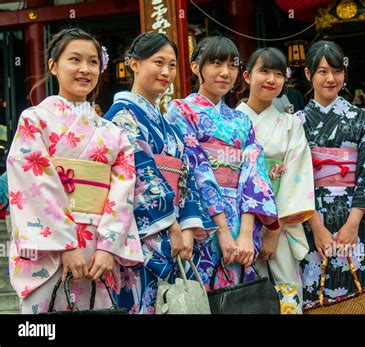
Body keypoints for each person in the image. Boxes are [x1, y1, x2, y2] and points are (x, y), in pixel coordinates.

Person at [7, 28, 143, 313]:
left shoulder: (114, 133)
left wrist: (108, 249)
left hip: (97, 253)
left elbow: (123, 193)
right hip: (49, 250)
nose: (85, 69)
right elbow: (34, 185)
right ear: (53, 66)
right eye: (75, 60)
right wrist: (67, 246)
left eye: (93, 62)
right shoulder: (35, 120)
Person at [103, 32, 212, 314]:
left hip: (173, 233)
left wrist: (188, 226)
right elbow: (139, 172)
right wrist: (172, 226)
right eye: (158, 62)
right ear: (134, 63)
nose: (166, 72)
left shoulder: (168, 126)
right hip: (142, 236)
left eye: (173, 65)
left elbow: (185, 176)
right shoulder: (121, 116)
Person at [166, 36, 279, 289]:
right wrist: (223, 231)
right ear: (196, 67)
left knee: (239, 298)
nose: (225, 73)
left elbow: (254, 175)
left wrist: (247, 234)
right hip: (201, 223)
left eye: (232, 65)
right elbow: (196, 170)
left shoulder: (241, 120)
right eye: (216, 64)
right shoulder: (181, 110)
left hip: (241, 218)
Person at [296, 41, 365, 307]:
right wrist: (316, 226)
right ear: (308, 74)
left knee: (357, 295)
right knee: (315, 295)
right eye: (322, 72)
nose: (330, 78)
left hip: (352, 218)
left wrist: (353, 223)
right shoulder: (295, 122)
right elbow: (294, 180)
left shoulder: (362, 119)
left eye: (336, 71)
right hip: (312, 221)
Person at [236, 47, 314, 313]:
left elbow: (296, 177)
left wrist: (273, 228)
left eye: (278, 74)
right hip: (239, 225)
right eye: (264, 71)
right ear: (246, 76)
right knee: (244, 296)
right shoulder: (231, 122)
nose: (271, 79)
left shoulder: (291, 123)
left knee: (287, 294)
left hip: (279, 223)